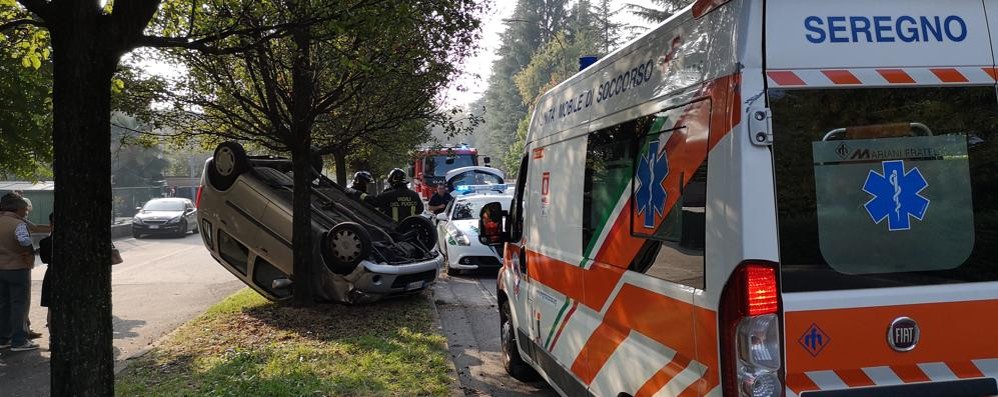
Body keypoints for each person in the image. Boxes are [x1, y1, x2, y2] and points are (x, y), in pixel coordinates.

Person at [0, 195, 39, 352]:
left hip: (0, 268)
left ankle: (3, 338)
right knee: (19, 304)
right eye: (24, 208)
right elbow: (24, 242)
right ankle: (19, 340)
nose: (26, 211)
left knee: (3, 304)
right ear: (17, 209)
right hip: (17, 268)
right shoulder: (19, 224)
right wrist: (30, 254)